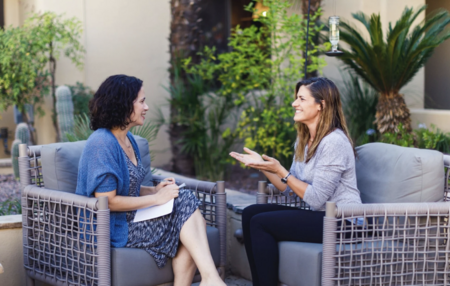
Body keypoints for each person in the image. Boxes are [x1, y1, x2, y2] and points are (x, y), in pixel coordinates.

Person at [76, 74, 225, 286]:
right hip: (111, 228)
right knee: (188, 211)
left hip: (131, 218)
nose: (146, 107)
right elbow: (107, 201)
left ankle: (211, 280)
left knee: (188, 214)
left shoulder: (128, 140)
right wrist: (156, 200)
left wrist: (154, 191)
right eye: (142, 101)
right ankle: (211, 279)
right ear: (123, 104)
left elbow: (128, 188)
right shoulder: (102, 143)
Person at [229, 77, 362, 286]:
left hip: (345, 221)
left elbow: (316, 198)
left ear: (321, 105)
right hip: (321, 215)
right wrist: (264, 167)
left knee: (261, 222)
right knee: (250, 213)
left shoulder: (334, 141)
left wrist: (281, 170)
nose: (294, 104)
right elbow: (290, 189)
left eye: (301, 99)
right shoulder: (304, 140)